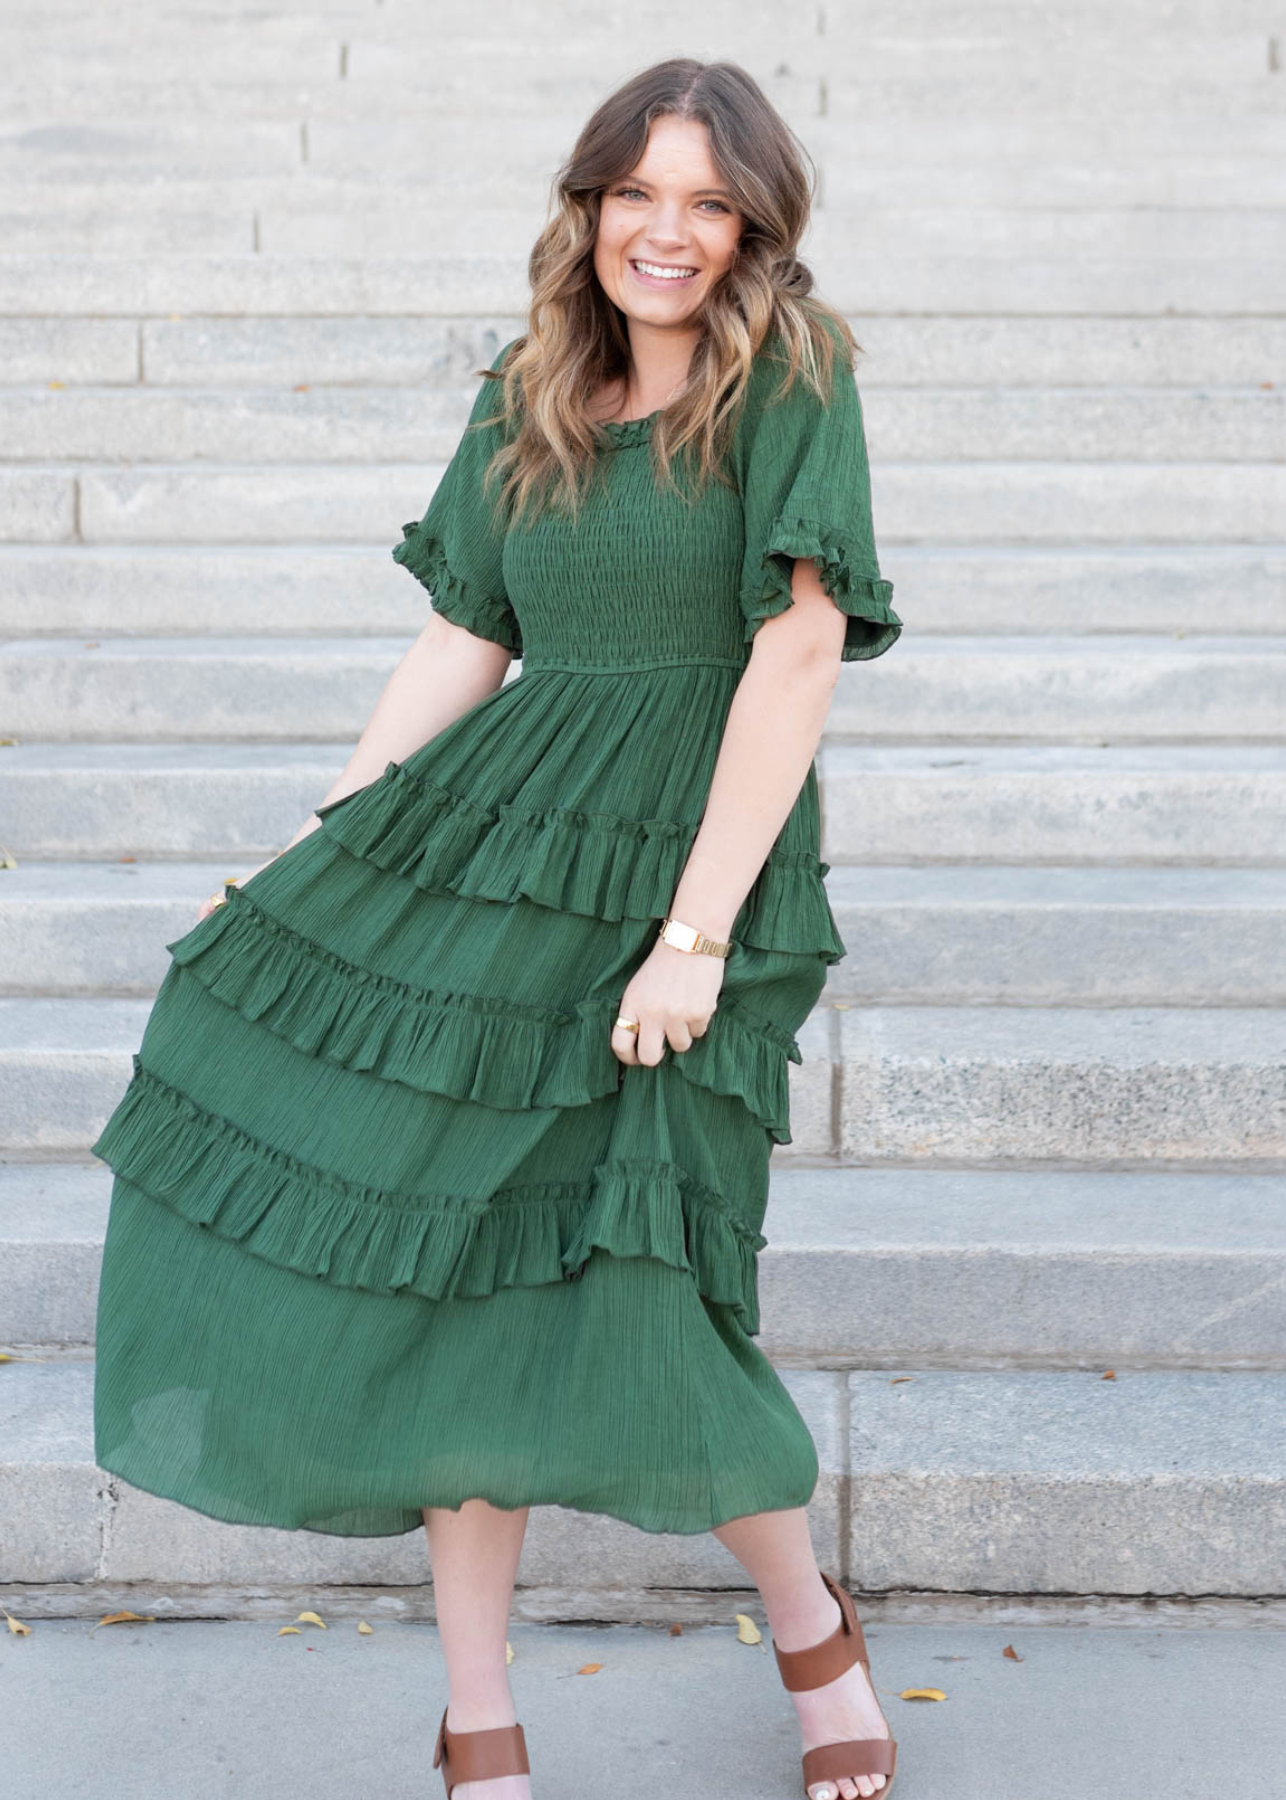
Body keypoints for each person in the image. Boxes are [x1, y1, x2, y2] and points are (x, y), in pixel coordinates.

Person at [90, 56, 902, 1800]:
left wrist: (694, 936)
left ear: (750, 223)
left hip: (691, 871)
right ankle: (480, 1721)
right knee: (456, 1273)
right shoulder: (526, 386)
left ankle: (807, 1625)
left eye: (707, 201)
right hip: (499, 855)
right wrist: (319, 845)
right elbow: (467, 641)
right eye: (638, 194)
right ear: (589, 204)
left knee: (654, 1278)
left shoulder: (790, 378)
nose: (666, 232)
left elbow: (799, 650)